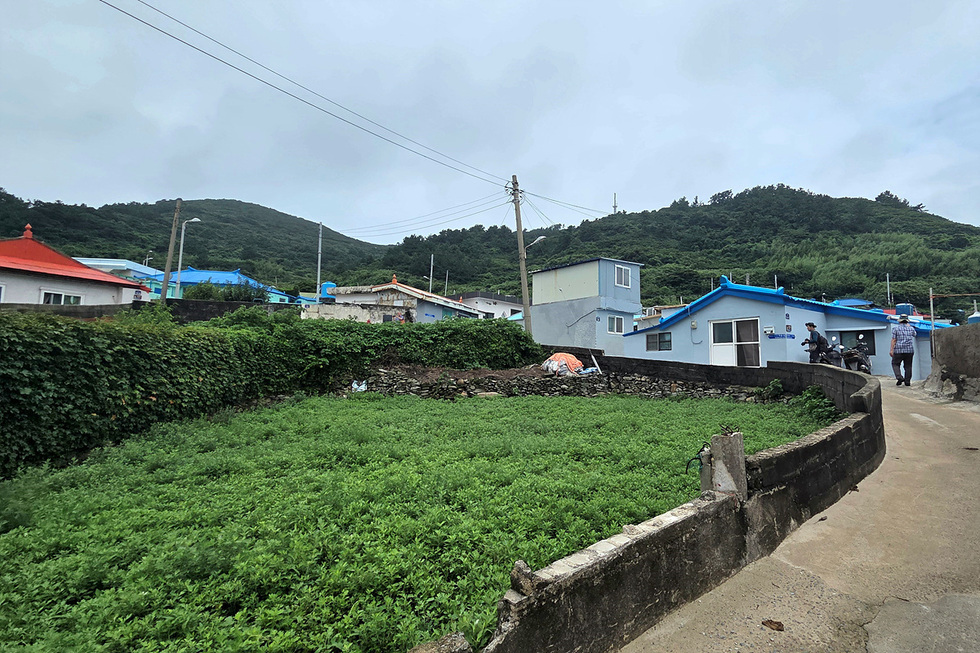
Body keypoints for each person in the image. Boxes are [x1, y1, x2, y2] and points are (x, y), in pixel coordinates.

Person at [890, 314, 916, 386]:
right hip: (909, 350)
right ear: (907, 321)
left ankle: (899, 377)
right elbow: (914, 334)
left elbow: (894, 340)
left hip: (898, 350)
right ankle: (907, 381)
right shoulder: (911, 328)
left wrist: (891, 350)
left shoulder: (895, 329)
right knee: (908, 366)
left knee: (895, 364)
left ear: (900, 321)